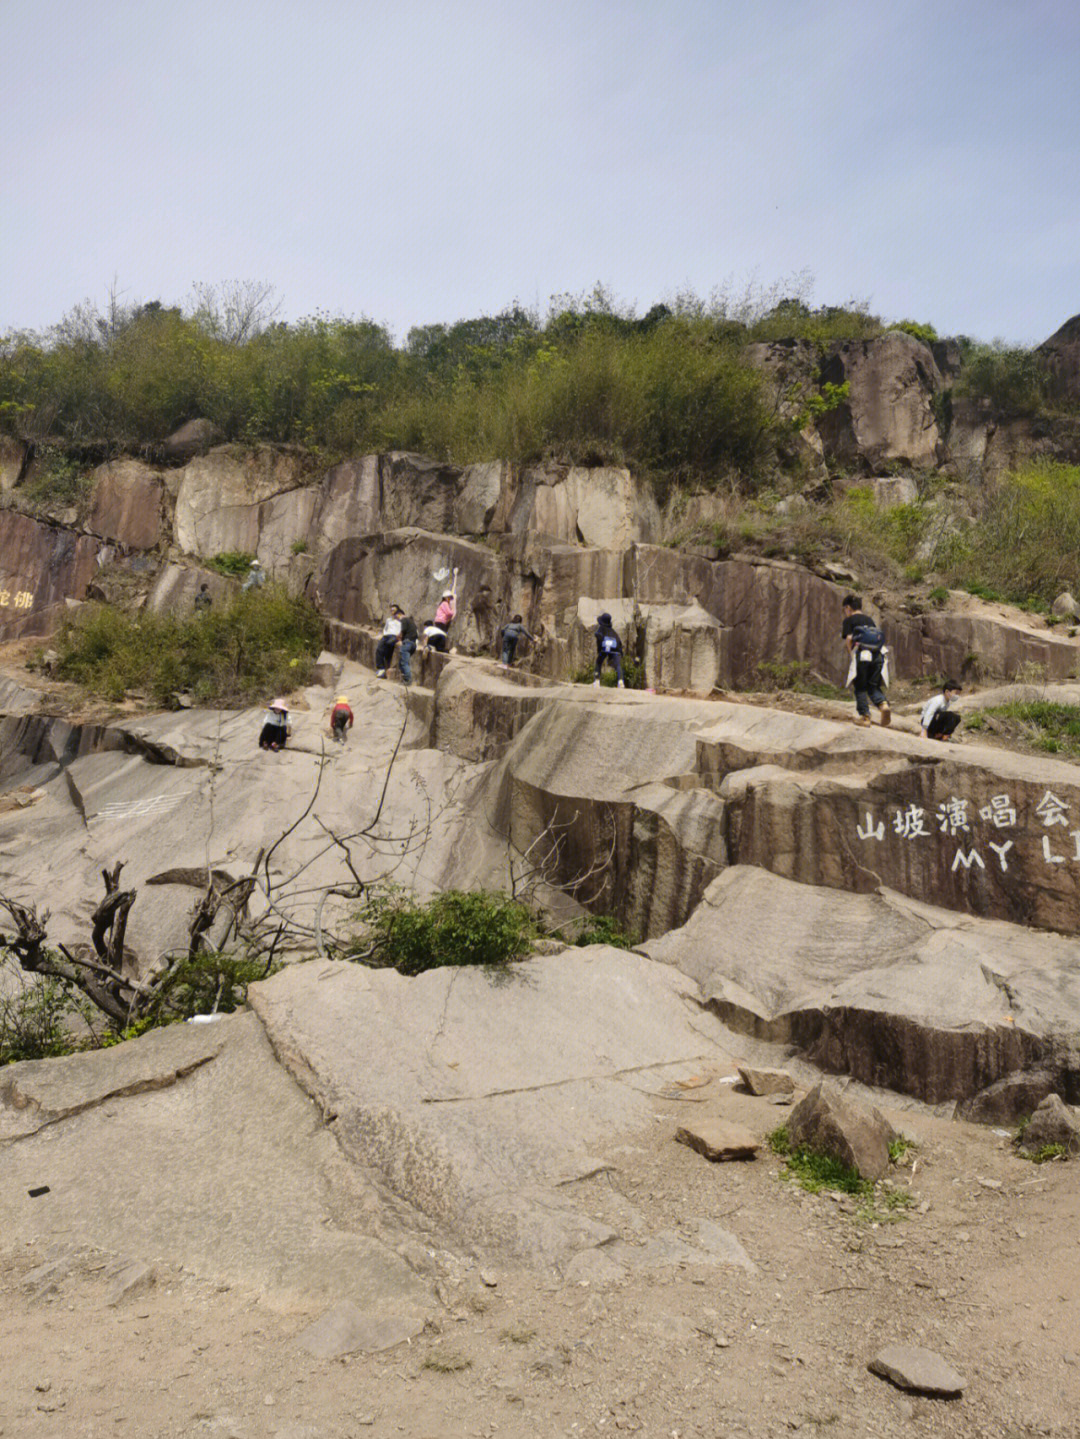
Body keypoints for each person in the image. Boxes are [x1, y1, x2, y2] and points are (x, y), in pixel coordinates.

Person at [841, 594, 890, 728]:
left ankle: (865, 717)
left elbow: (850, 638)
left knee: (860, 687)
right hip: (878, 655)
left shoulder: (849, 620)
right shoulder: (869, 620)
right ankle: (883, 705)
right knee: (873, 686)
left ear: (848, 607)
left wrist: (851, 653)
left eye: (845, 610)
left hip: (862, 655)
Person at [593, 612, 625, 688]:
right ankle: (620, 682)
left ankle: (597, 681)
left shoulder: (601, 628)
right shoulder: (613, 632)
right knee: (618, 665)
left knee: (598, 662)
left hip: (605, 647)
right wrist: (620, 653)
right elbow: (619, 642)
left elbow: (599, 637)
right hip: (615, 648)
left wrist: (599, 650)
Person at [375, 605, 404, 676]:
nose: (392, 612)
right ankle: (381, 669)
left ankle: (387, 666)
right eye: (391, 610)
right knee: (379, 649)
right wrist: (383, 634)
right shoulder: (388, 620)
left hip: (395, 636)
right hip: (386, 635)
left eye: (394, 610)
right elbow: (385, 628)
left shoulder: (401, 620)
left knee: (389, 644)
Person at [434, 569, 459, 634]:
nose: (450, 599)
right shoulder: (444, 603)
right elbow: (449, 613)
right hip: (441, 621)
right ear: (445, 598)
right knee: (442, 634)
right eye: (449, 597)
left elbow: (454, 588)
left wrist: (455, 576)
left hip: (440, 621)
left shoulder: (442, 604)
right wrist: (453, 612)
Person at [397, 612, 419, 684]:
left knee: (404, 663)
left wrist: (398, 637)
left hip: (407, 643)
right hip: (413, 644)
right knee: (403, 662)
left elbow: (403, 630)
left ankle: (407, 680)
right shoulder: (413, 623)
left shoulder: (404, 619)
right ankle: (404, 678)